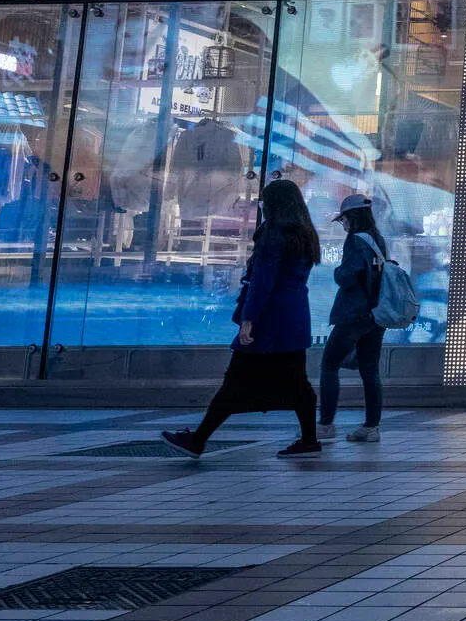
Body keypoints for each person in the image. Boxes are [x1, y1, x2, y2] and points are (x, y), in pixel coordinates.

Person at [162, 178, 322, 459]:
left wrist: (249, 318)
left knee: (235, 380)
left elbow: (262, 281)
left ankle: (198, 440)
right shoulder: (305, 234)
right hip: (295, 317)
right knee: (298, 382)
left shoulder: (274, 234)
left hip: (268, 320)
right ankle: (309, 439)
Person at [319, 193, 387, 443]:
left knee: (329, 365)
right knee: (370, 370)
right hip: (375, 314)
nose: (343, 224)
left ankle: (325, 425)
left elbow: (347, 276)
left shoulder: (356, 240)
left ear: (352, 216)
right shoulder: (377, 239)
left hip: (353, 313)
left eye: (343, 219)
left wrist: (337, 272)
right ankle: (371, 427)